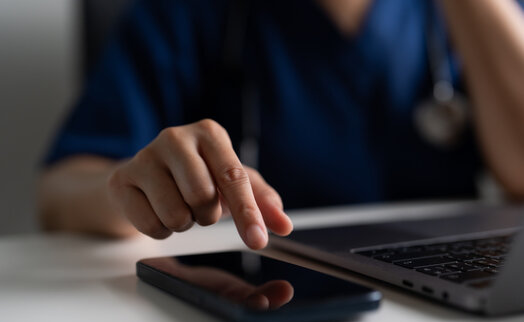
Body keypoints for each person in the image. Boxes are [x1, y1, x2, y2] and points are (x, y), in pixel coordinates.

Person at [39, 0, 524, 250]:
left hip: (446, 311)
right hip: (265, 308)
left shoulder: (473, 17)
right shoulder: (191, 11)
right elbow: (59, 191)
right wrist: (138, 191)